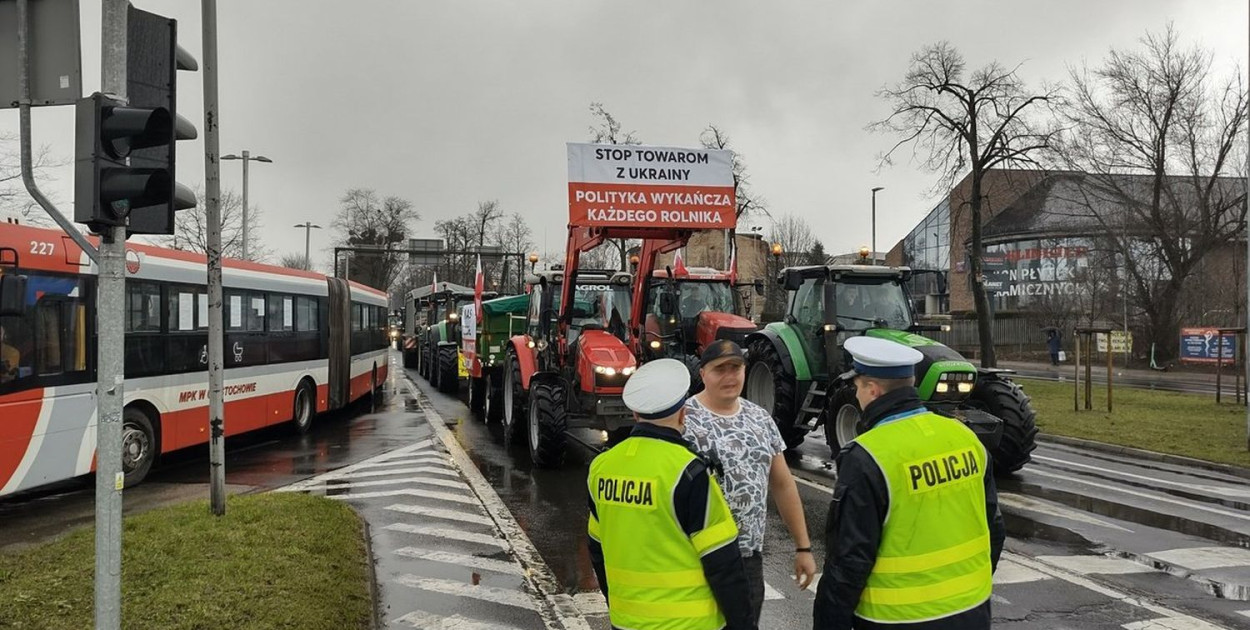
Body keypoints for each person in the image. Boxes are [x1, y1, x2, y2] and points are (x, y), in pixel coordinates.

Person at [814, 336, 1005, 630]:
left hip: (897, 618)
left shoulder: (866, 456)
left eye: (857, 388)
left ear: (872, 390)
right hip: (972, 609)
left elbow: (848, 563)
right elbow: (994, 529)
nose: (856, 396)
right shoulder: (965, 438)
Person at [587, 358, 757, 630]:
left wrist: (619, 604)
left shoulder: (602, 467)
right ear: (682, 414)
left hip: (626, 622)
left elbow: (597, 549)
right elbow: (723, 563)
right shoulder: (689, 471)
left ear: (635, 414)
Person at [684, 339, 817, 625]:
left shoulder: (759, 419)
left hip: (747, 559)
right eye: (720, 369)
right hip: (697, 561)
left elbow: (782, 484)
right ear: (703, 373)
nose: (730, 377)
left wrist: (803, 547)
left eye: (737, 368)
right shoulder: (684, 420)